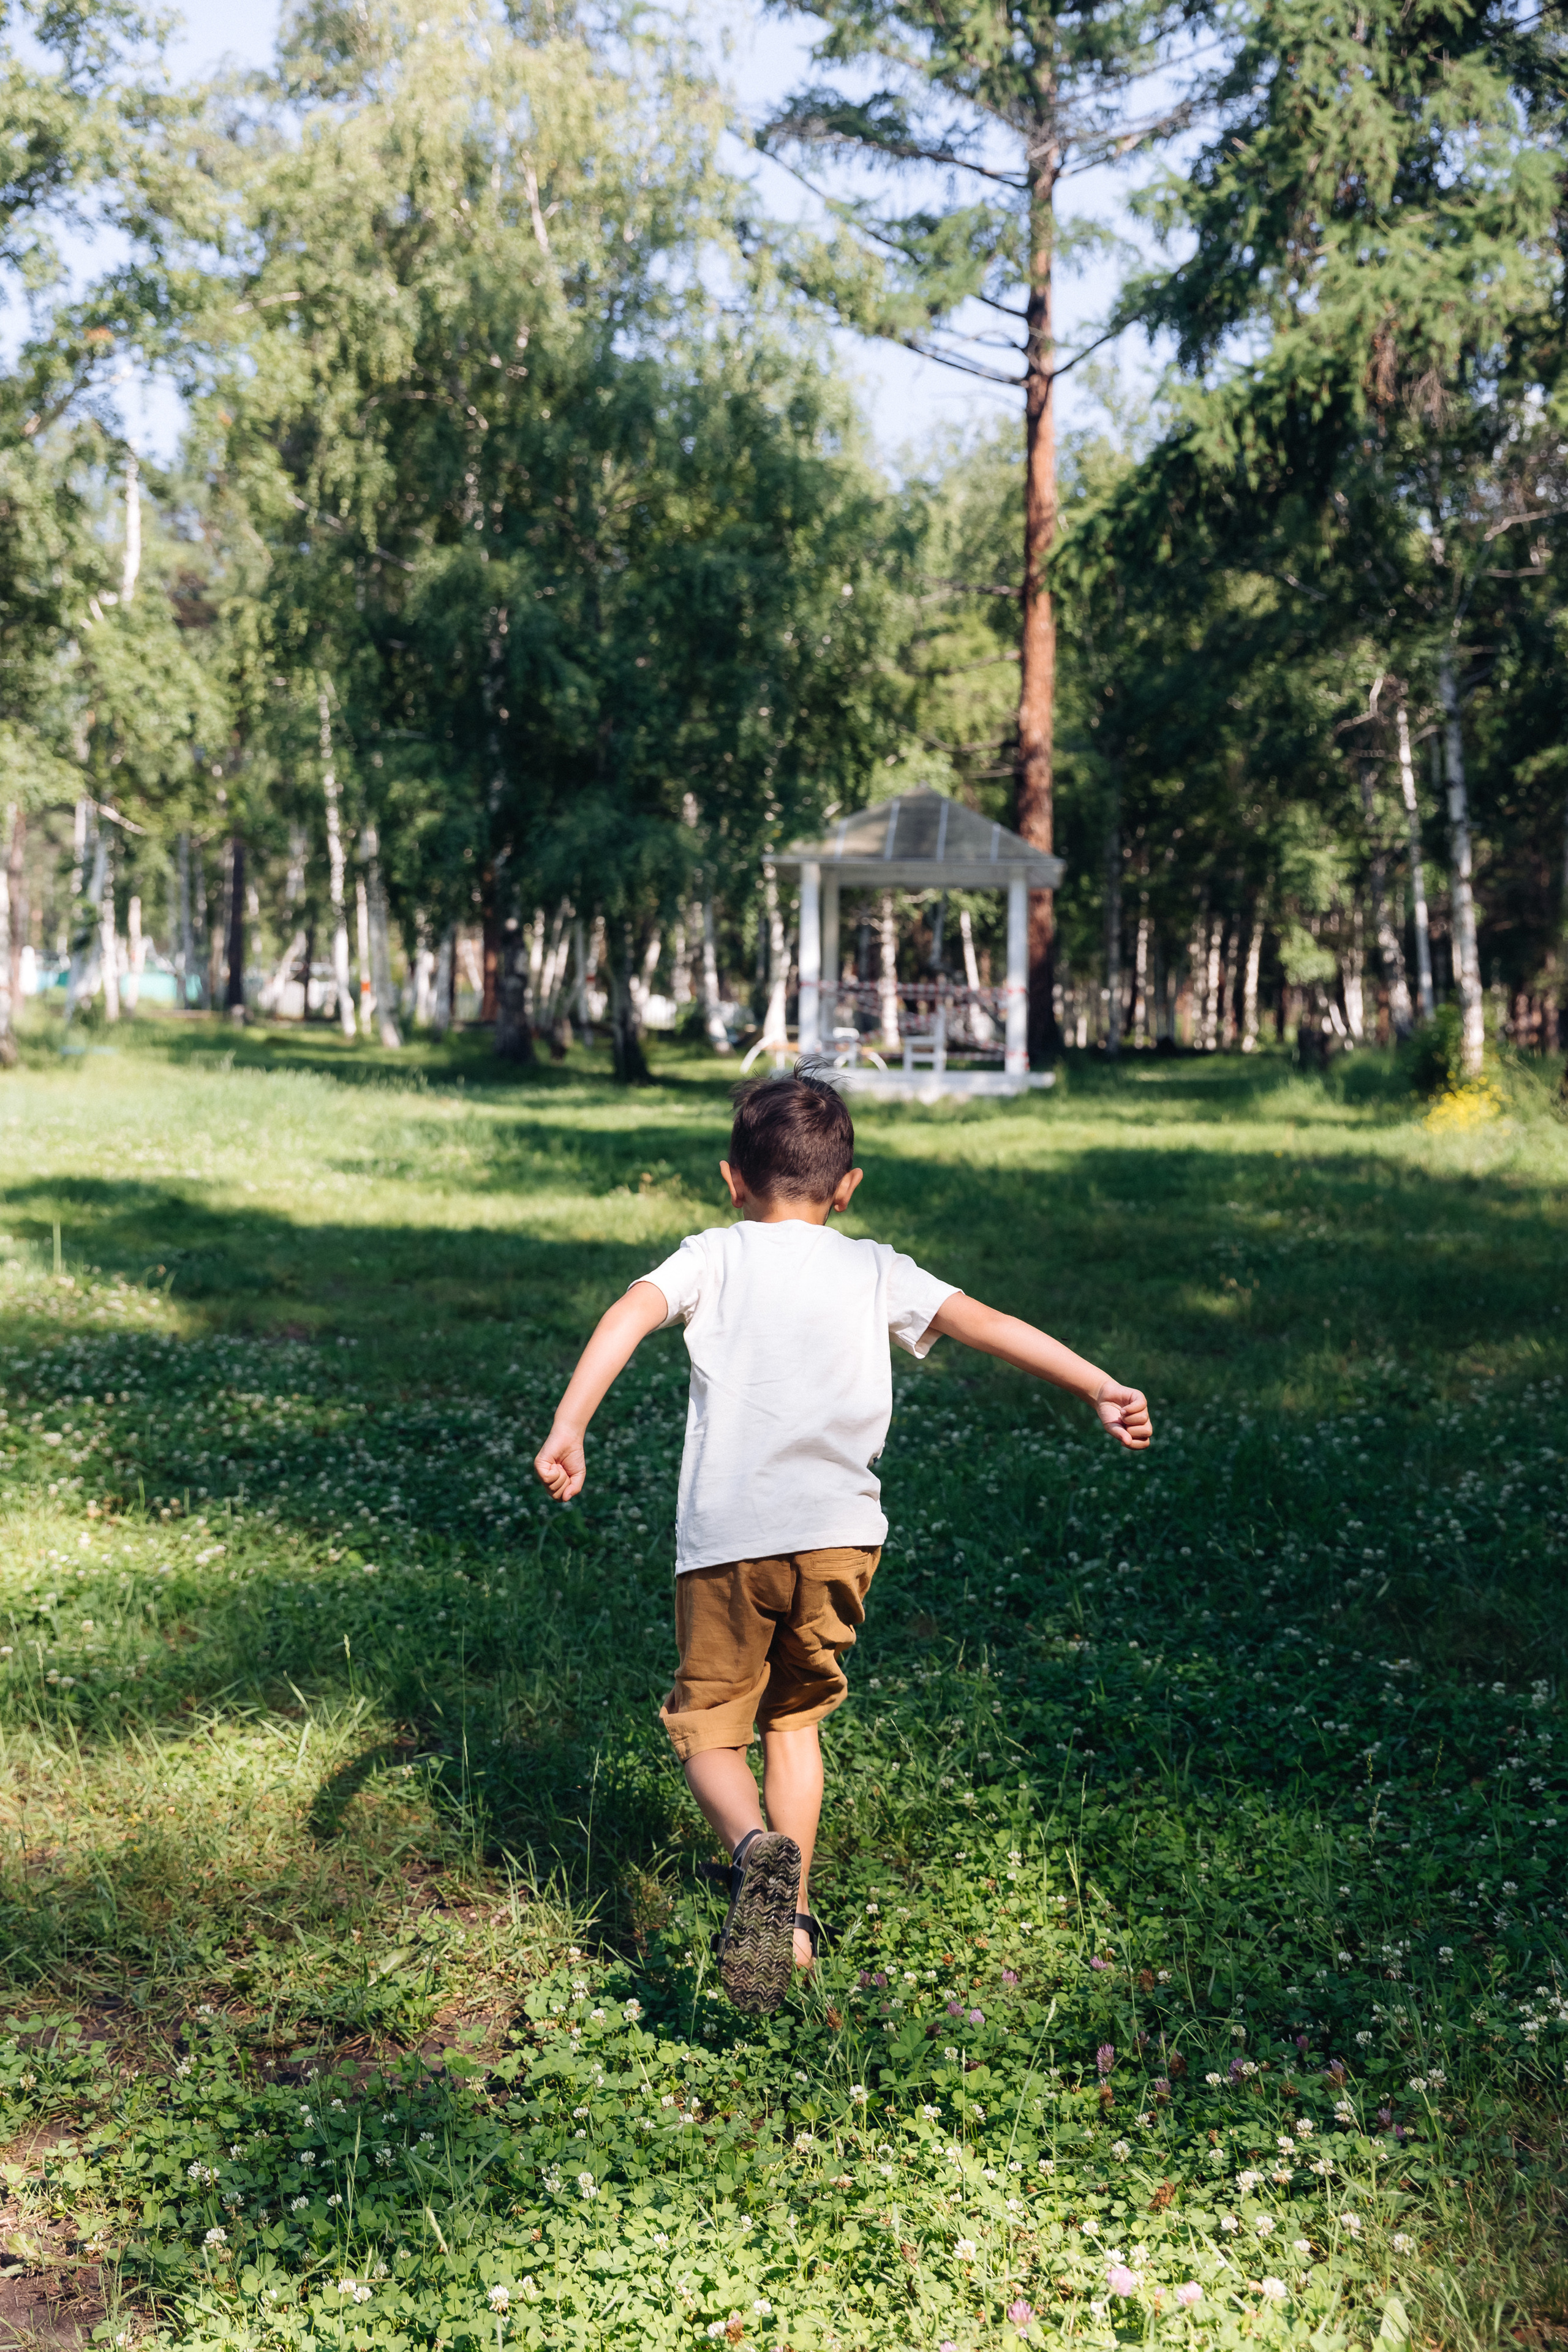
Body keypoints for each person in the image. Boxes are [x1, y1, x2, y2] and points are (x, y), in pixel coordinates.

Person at [534, 1069, 1152, 2016]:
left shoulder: (712, 1255)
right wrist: (1099, 1383)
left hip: (730, 1543)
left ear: (731, 1180)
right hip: (841, 1543)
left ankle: (752, 1855)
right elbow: (983, 1323)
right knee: (796, 1722)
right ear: (848, 1186)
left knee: (706, 1728)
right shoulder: (876, 1267)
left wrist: (571, 1423)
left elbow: (629, 1314)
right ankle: (794, 1927)